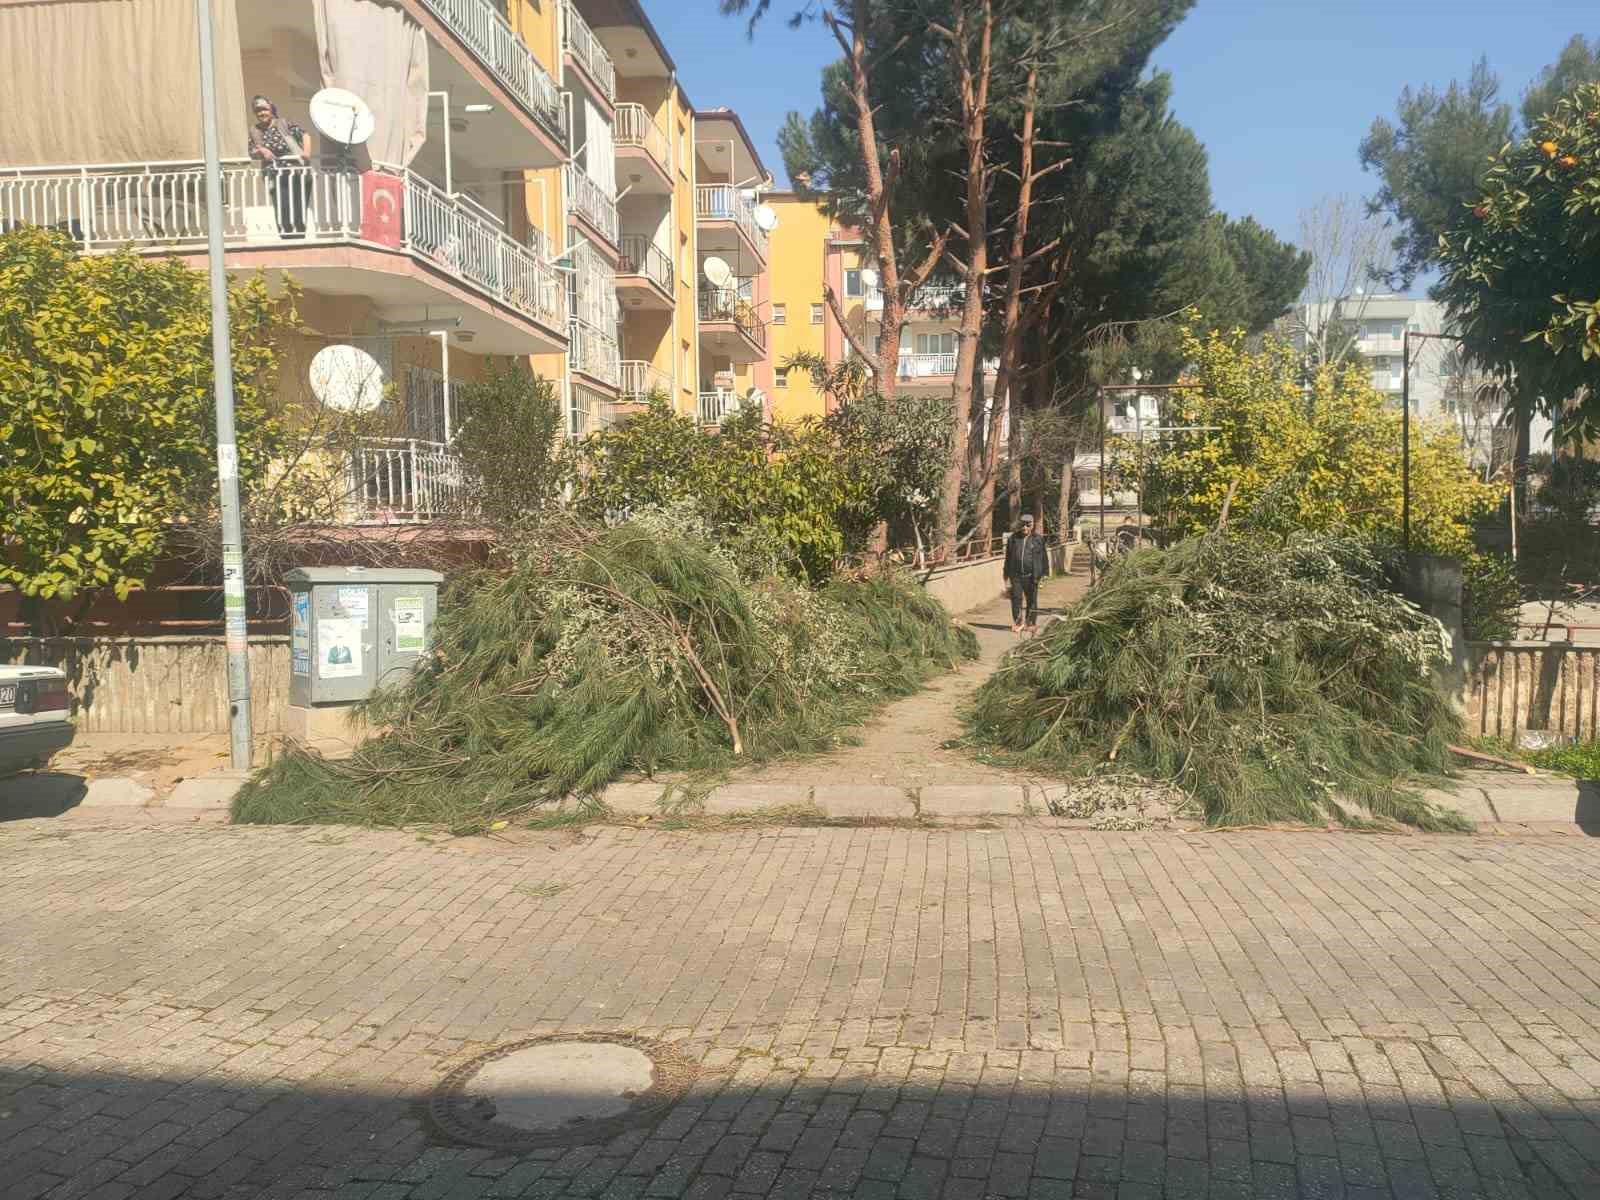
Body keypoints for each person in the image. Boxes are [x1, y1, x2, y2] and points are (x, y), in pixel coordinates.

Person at [247, 96, 311, 237]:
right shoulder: (255, 131)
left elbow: (305, 135)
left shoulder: (283, 123)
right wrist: (261, 150)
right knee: (282, 209)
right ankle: (287, 239)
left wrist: (306, 153)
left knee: (298, 209)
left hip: (297, 172)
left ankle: (299, 240)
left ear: (271, 110)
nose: (261, 113)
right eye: (257, 110)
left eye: (264, 109)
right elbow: (252, 152)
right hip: (275, 175)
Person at [1004, 514, 1049, 633]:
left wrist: (1044, 573)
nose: (1025, 528)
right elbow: (1008, 558)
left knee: (1032, 600)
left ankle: (1030, 623)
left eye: (1028, 525)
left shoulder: (1038, 539)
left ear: (1032, 525)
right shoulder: (1013, 539)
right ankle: (1018, 622)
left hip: (1032, 576)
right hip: (1016, 576)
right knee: (1016, 599)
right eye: (1023, 525)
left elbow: (1044, 557)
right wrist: (1006, 575)